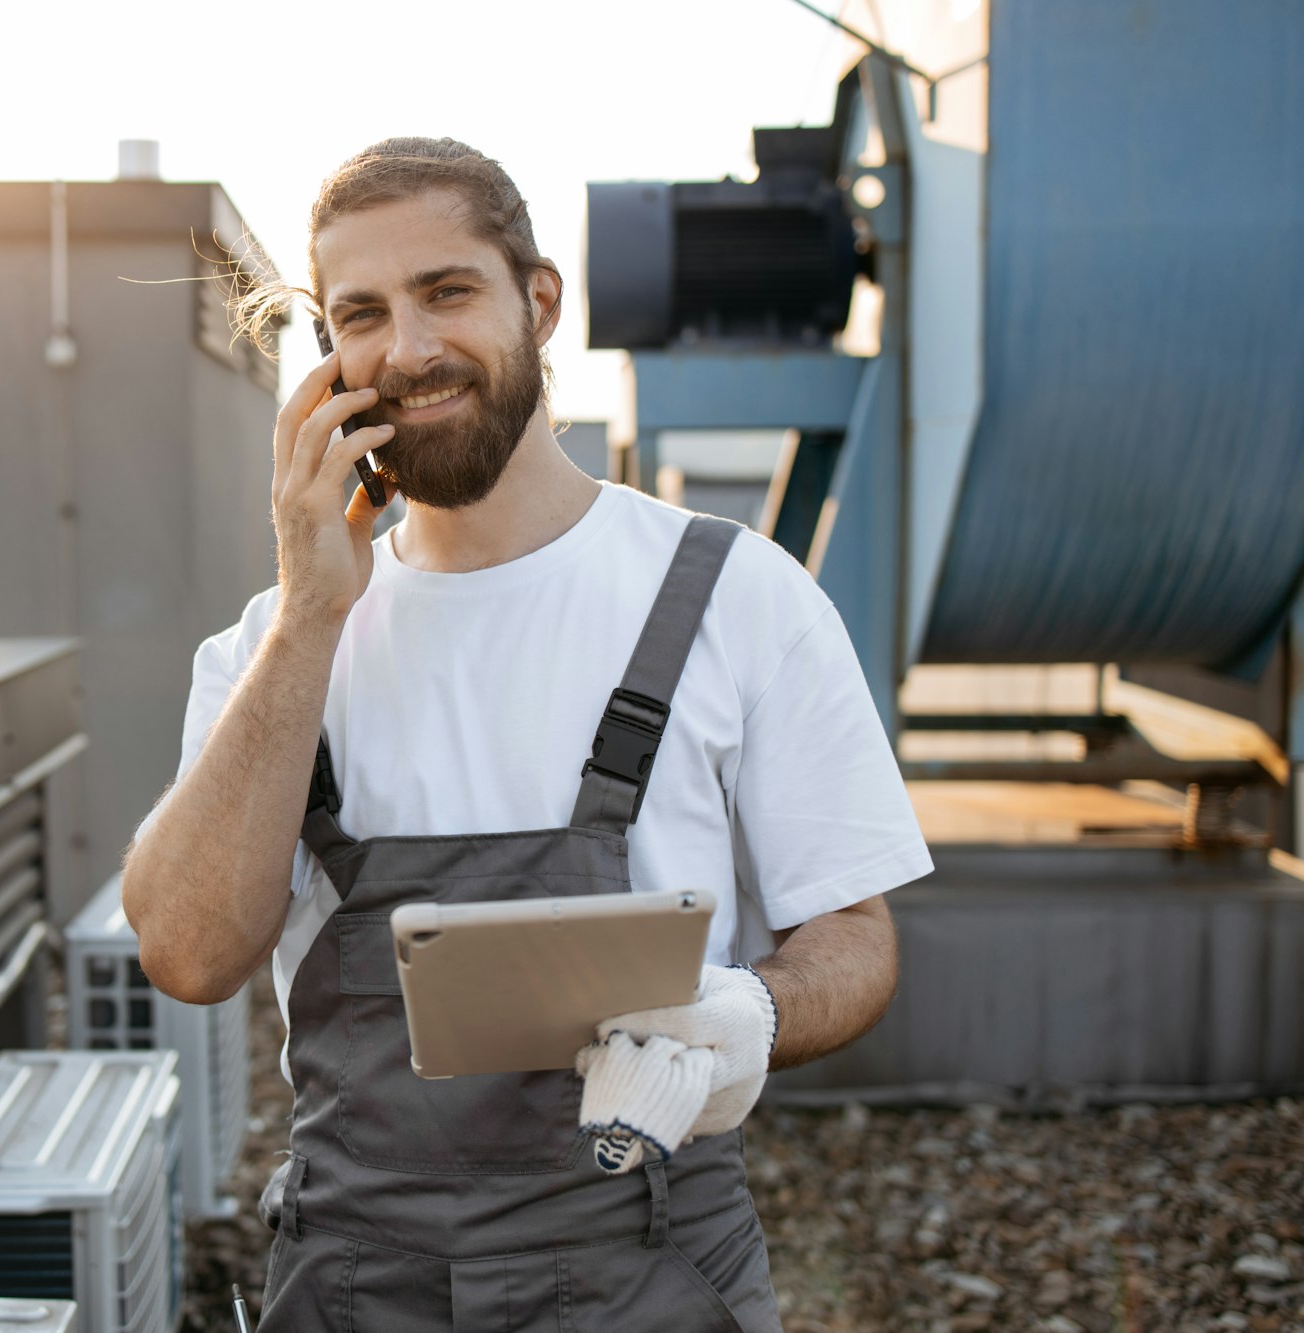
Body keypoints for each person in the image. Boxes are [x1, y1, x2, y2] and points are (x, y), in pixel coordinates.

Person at [121, 136, 932, 1331]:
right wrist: (309, 617)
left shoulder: (737, 597)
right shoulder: (269, 651)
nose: (405, 350)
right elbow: (187, 954)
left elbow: (855, 937)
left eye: (446, 291)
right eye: (360, 314)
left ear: (536, 300)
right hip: (355, 1283)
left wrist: (744, 1014)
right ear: (325, 356)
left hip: (652, 1269)